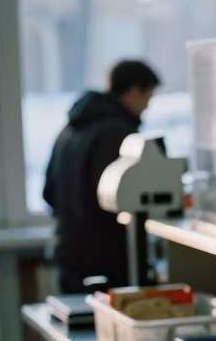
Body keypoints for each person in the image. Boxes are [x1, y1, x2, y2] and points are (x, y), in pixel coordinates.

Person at [43, 59, 161, 293]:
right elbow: (120, 200)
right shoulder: (117, 134)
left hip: (68, 251)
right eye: (147, 96)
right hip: (104, 259)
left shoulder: (70, 130)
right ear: (133, 91)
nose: (147, 106)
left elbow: (49, 192)